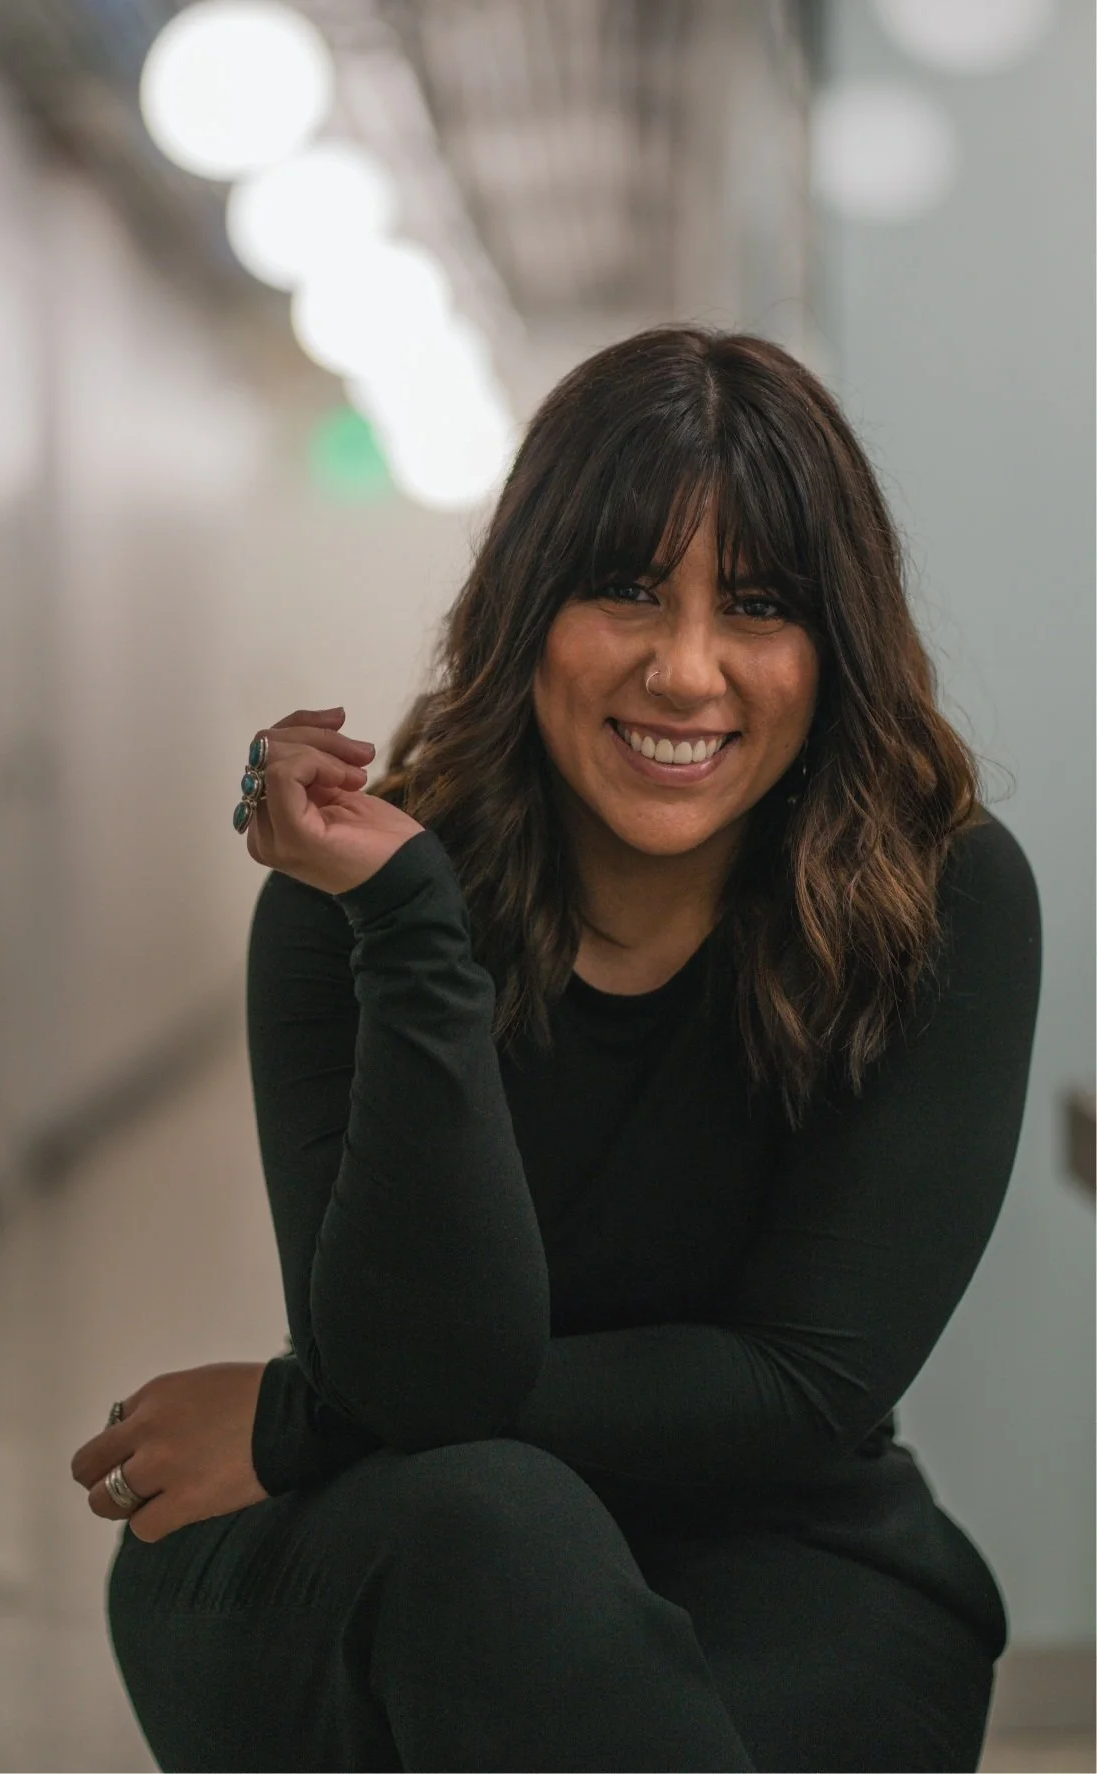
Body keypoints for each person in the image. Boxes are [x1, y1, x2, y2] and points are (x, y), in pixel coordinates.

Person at [70, 326, 1041, 1773]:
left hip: (789, 1557)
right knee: (498, 1526)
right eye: (626, 588)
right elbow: (414, 1366)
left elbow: (802, 1388)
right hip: (414, 1529)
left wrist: (301, 1417)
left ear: (833, 647)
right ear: (528, 607)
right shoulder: (356, 903)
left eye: (759, 606)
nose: (688, 670)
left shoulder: (936, 894)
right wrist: (414, 927)